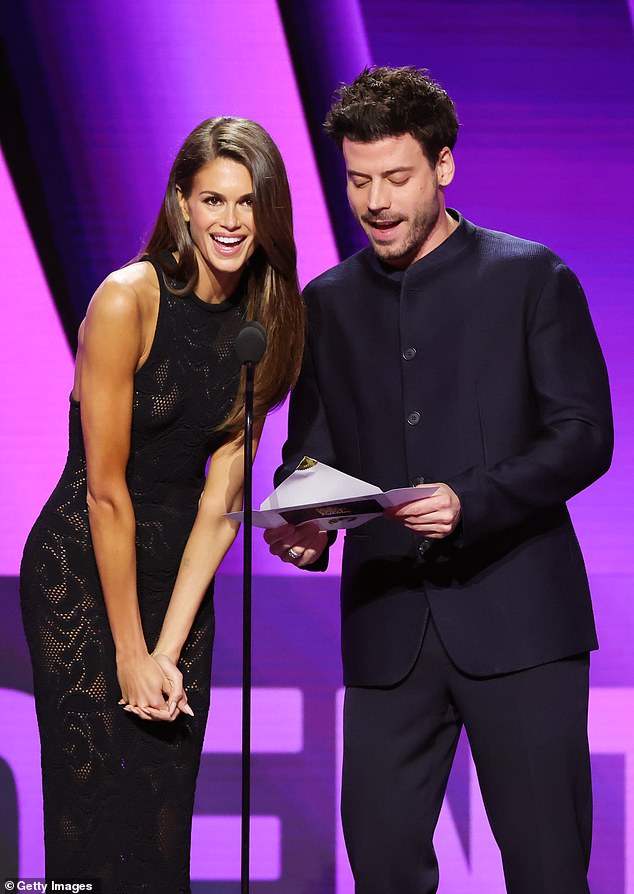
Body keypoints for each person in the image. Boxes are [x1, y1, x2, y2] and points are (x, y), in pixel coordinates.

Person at [264, 67, 613, 894]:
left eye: (396, 178)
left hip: (522, 622)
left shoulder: (532, 278)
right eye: (358, 180)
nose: (375, 201)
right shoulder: (328, 303)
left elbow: (585, 436)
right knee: (381, 864)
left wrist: (473, 500)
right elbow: (305, 451)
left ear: (444, 166)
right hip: (389, 631)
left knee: (548, 867)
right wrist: (305, 518)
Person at [20, 116, 304, 893]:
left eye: (248, 203)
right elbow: (106, 493)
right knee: (90, 811)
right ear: (182, 203)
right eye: (213, 199)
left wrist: (167, 650)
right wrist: (129, 651)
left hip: (180, 582)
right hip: (84, 572)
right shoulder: (126, 301)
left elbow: (221, 505)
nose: (230, 221)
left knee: (159, 812)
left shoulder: (271, 318)